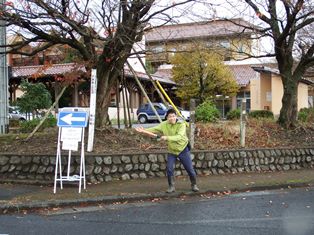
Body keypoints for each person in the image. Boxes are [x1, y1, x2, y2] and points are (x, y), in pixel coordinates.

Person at [135, 108, 199, 193]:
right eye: (170, 116)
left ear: (176, 116)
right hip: (172, 151)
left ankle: (194, 184)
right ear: (167, 118)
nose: (172, 118)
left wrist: (167, 137)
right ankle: (171, 186)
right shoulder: (164, 125)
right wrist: (143, 131)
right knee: (169, 169)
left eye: (173, 116)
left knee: (190, 169)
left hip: (183, 149)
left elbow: (179, 137)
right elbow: (154, 129)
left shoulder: (181, 124)